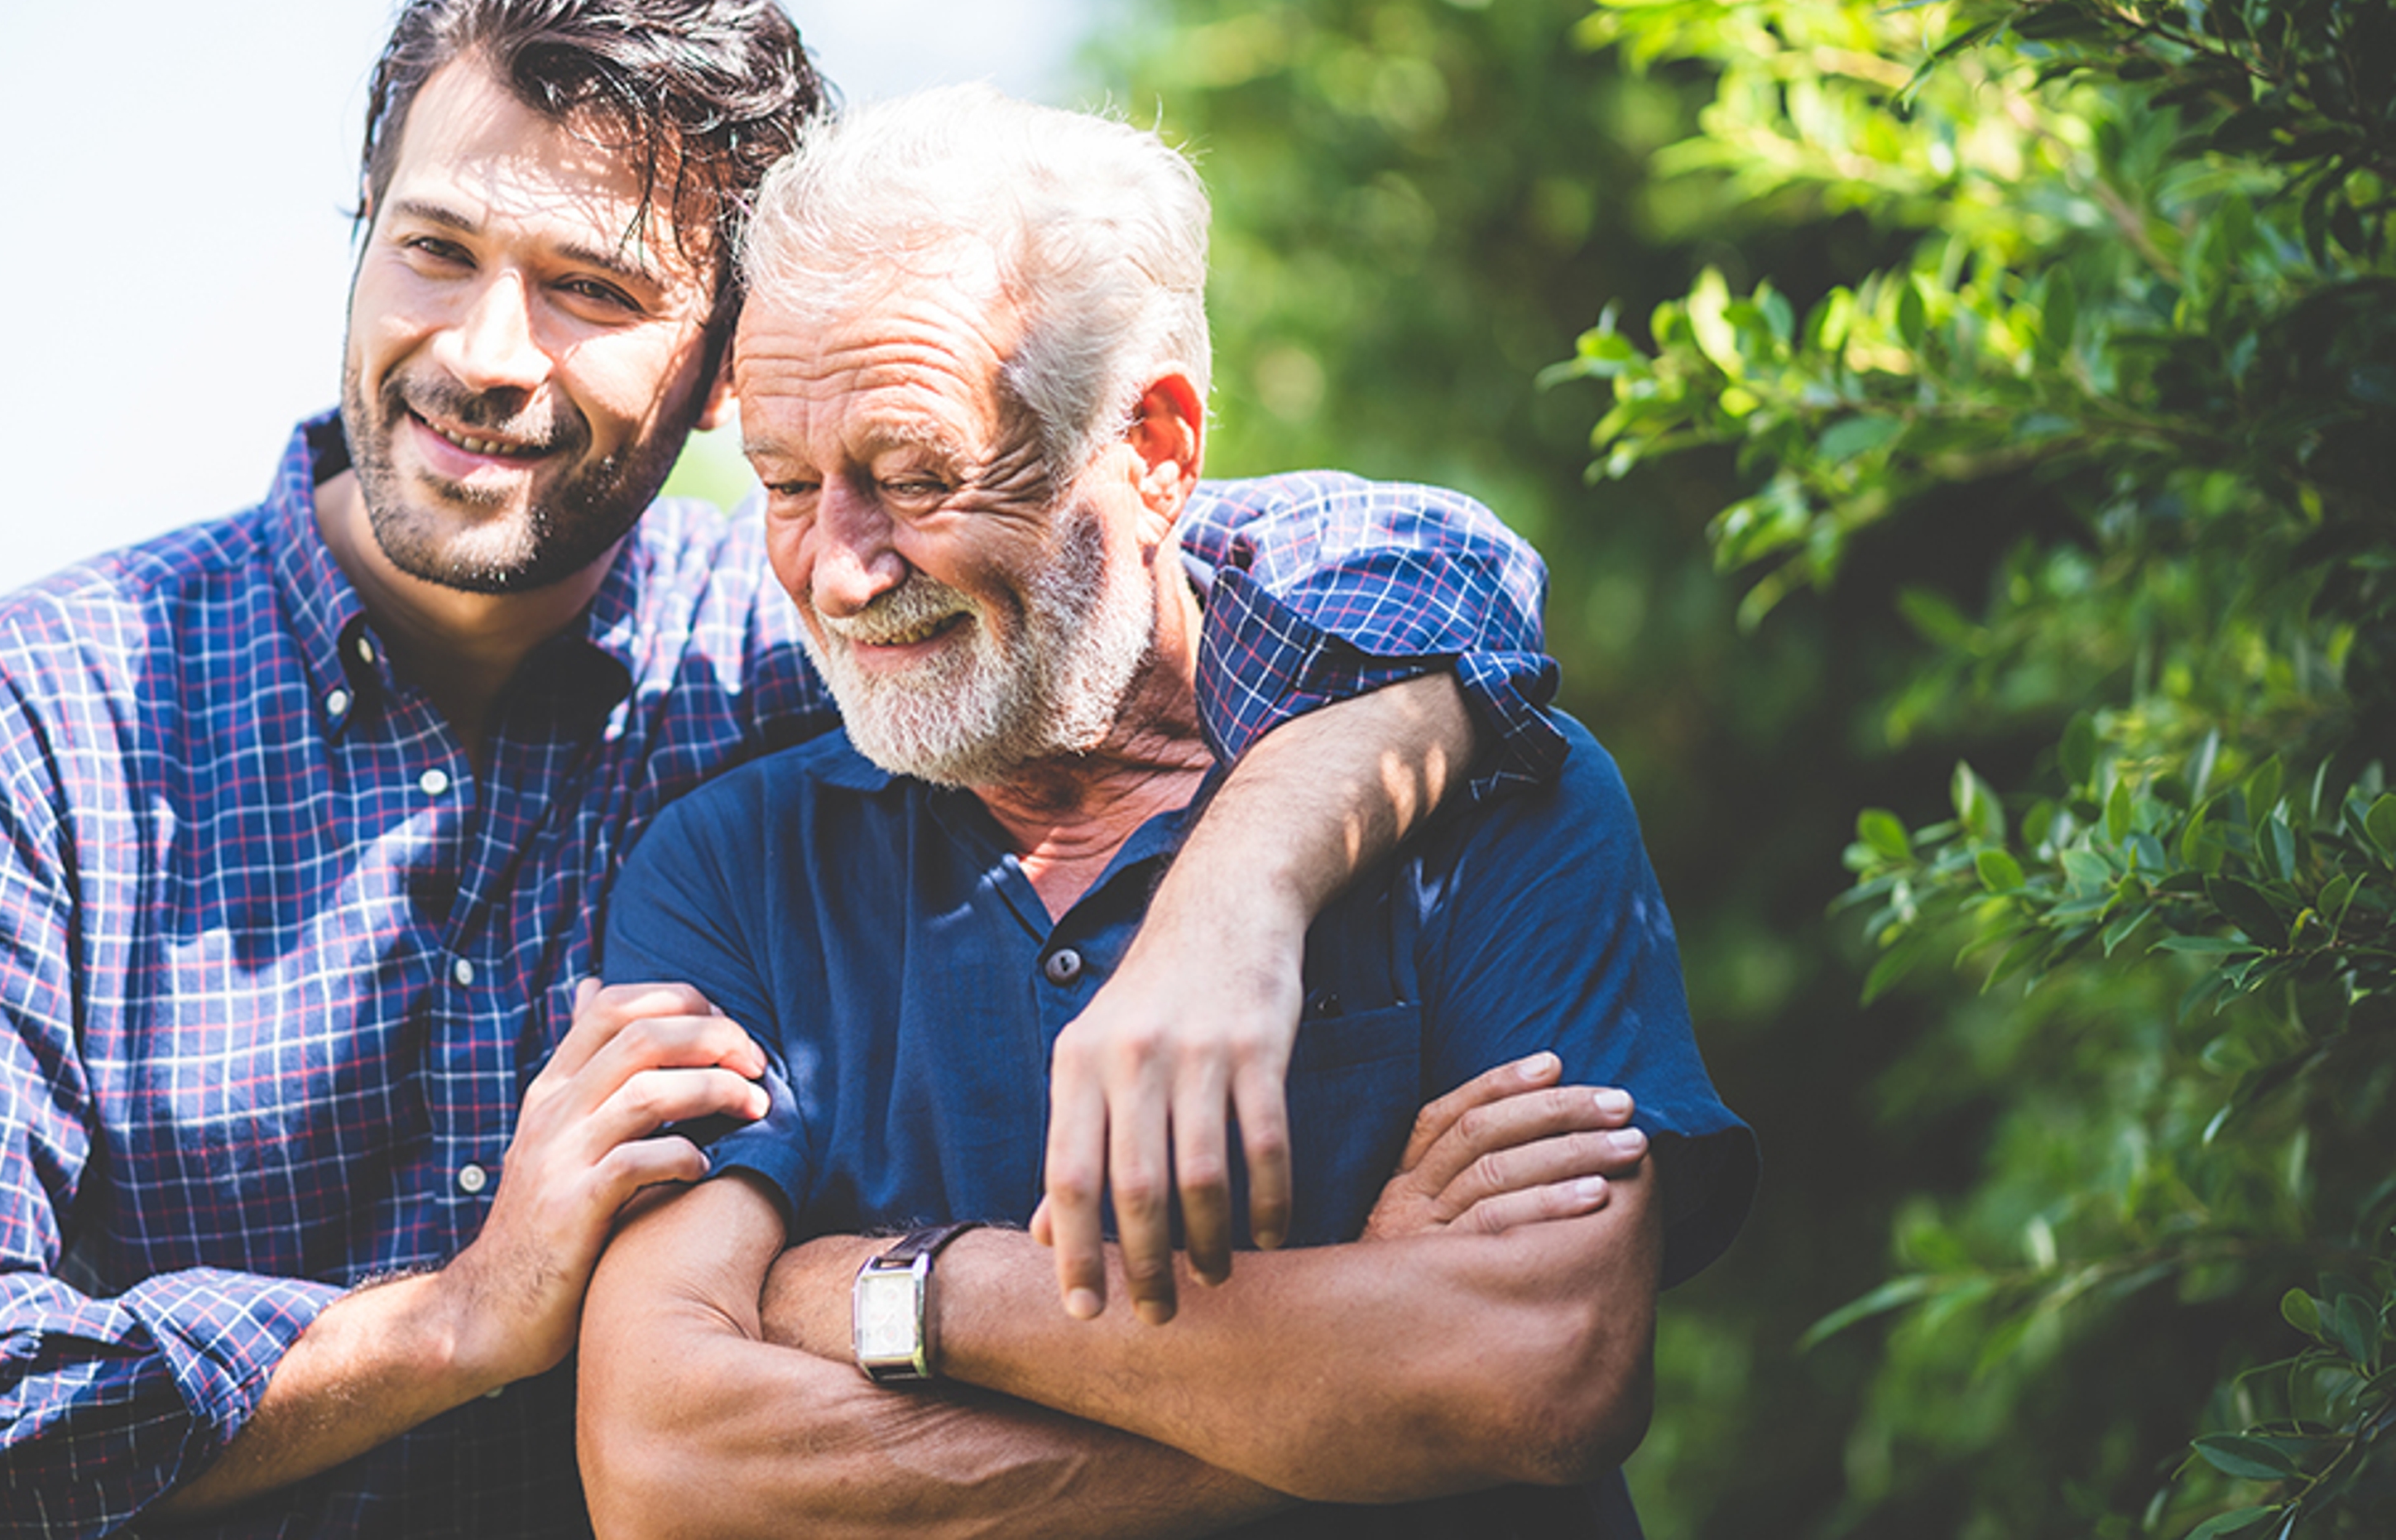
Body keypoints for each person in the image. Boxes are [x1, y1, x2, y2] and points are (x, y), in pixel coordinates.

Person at [0, 0, 1565, 1538]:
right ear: (359, 237)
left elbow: (1410, 566)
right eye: (435, 248)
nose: (482, 350)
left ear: (727, 371)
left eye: (595, 293)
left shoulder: (807, 658)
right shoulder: (42, 716)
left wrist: (1236, 900)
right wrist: (453, 1318)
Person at [579, 86, 1758, 1538]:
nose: (838, 570)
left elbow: (1542, 1372)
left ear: (1153, 448)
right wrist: (1340, 1399)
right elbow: (664, 1465)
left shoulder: (1493, 794)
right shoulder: (732, 867)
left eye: (918, 478)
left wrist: (890, 1288)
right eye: (783, 484)